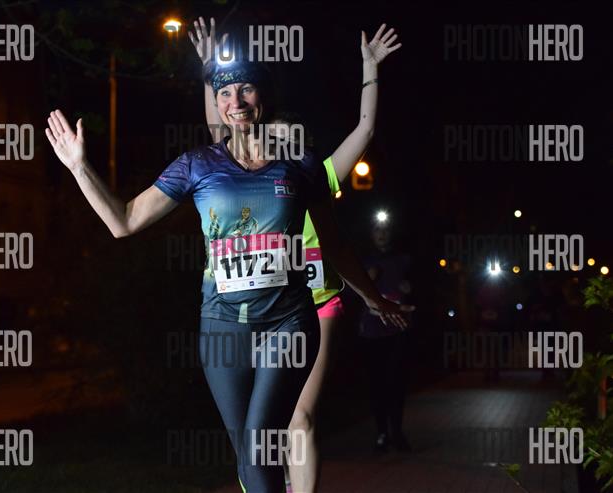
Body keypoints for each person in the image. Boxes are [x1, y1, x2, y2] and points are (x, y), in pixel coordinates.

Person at [44, 47, 410, 493]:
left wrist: (373, 297)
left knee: (258, 447)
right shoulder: (197, 165)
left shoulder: (301, 165)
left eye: (246, 89)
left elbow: (334, 244)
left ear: (264, 96)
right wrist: (80, 167)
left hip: (288, 322)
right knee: (249, 459)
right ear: (216, 103)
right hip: (222, 325)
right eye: (224, 93)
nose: (235, 101)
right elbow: (123, 222)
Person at [189, 17, 402, 492]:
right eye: (275, 137)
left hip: (311, 305)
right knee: (252, 435)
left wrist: (370, 72)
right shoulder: (237, 170)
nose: (280, 145)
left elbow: (365, 130)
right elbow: (218, 126)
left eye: (290, 139)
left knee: (299, 418)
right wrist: (209, 72)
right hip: (246, 309)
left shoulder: (310, 175)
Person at [358, 218, 413, 453]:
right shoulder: (362, 261)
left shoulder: (404, 260)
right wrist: (366, 280)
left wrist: (410, 289)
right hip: (372, 331)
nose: (381, 234)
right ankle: (381, 434)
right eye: (377, 229)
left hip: (398, 329)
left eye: (385, 229)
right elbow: (349, 293)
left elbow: (421, 291)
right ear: (371, 233)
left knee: (397, 382)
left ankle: (397, 432)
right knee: (376, 384)